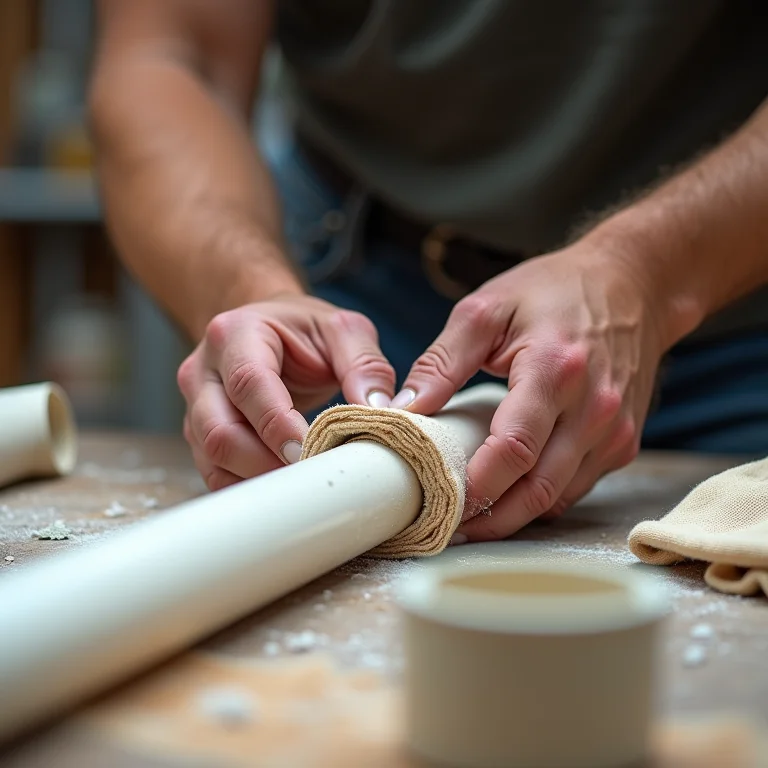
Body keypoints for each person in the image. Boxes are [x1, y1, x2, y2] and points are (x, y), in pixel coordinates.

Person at [89, 1, 768, 543]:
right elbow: (174, 56)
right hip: (351, 298)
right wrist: (249, 289)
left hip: (733, 308)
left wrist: (644, 275)